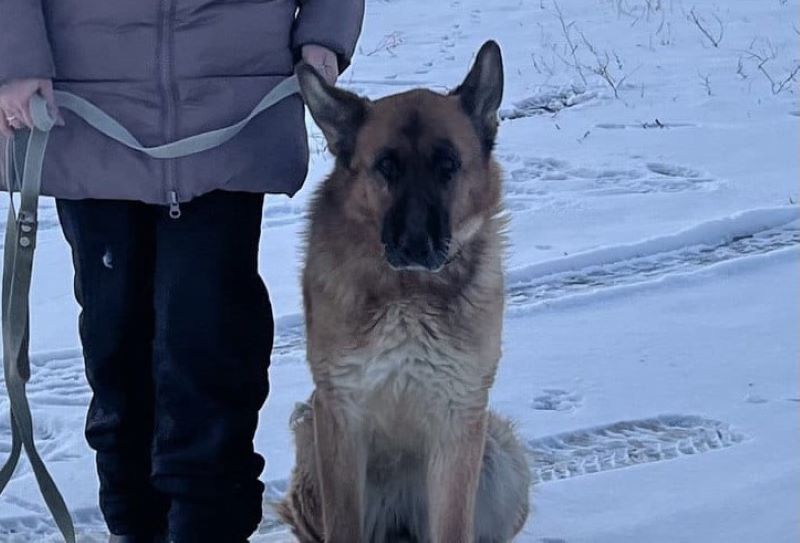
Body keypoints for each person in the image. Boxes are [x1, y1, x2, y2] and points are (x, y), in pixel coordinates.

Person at [0, 2, 364, 542]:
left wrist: (324, 34)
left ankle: (208, 528)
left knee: (210, 346)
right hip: (86, 100)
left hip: (232, 101)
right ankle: (134, 526)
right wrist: (13, 56)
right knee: (116, 347)